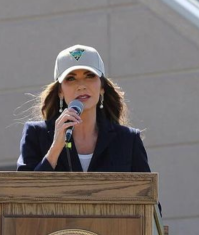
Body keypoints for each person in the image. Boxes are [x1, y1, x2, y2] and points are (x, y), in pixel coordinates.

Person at [17, 44, 152, 173]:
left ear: (102, 87)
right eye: (70, 78)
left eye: (90, 76)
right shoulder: (35, 134)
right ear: (60, 91)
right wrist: (55, 149)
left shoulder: (128, 139)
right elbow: (22, 194)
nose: (81, 86)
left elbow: (148, 195)